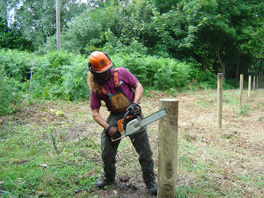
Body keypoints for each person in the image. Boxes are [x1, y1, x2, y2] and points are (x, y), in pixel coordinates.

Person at [87, 51, 157, 196]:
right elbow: (95, 112)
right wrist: (108, 128)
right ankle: (109, 177)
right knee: (106, 150)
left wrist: (135, 104)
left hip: (132, 112)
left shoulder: (122, 73)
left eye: (107, 70)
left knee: (144, 151)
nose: (106, 74)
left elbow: (139, 86)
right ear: (94, 72)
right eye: (102, 72)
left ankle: (150, 181)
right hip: (115, 116)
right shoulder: (96, 86)